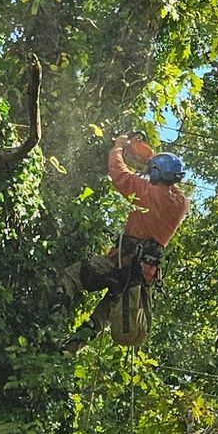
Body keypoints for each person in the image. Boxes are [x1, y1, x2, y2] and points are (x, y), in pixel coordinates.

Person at [78, 134, 188, 345]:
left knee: (73, 277)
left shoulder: (144, 191)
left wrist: (119, 146)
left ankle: (54, 316)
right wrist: (144, 154)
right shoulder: (180, 203)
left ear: (156, 174)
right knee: (101, 316)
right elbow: (160, 176)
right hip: (140, 275)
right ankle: (67, 351)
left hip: (120, 262)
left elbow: (118, 172)